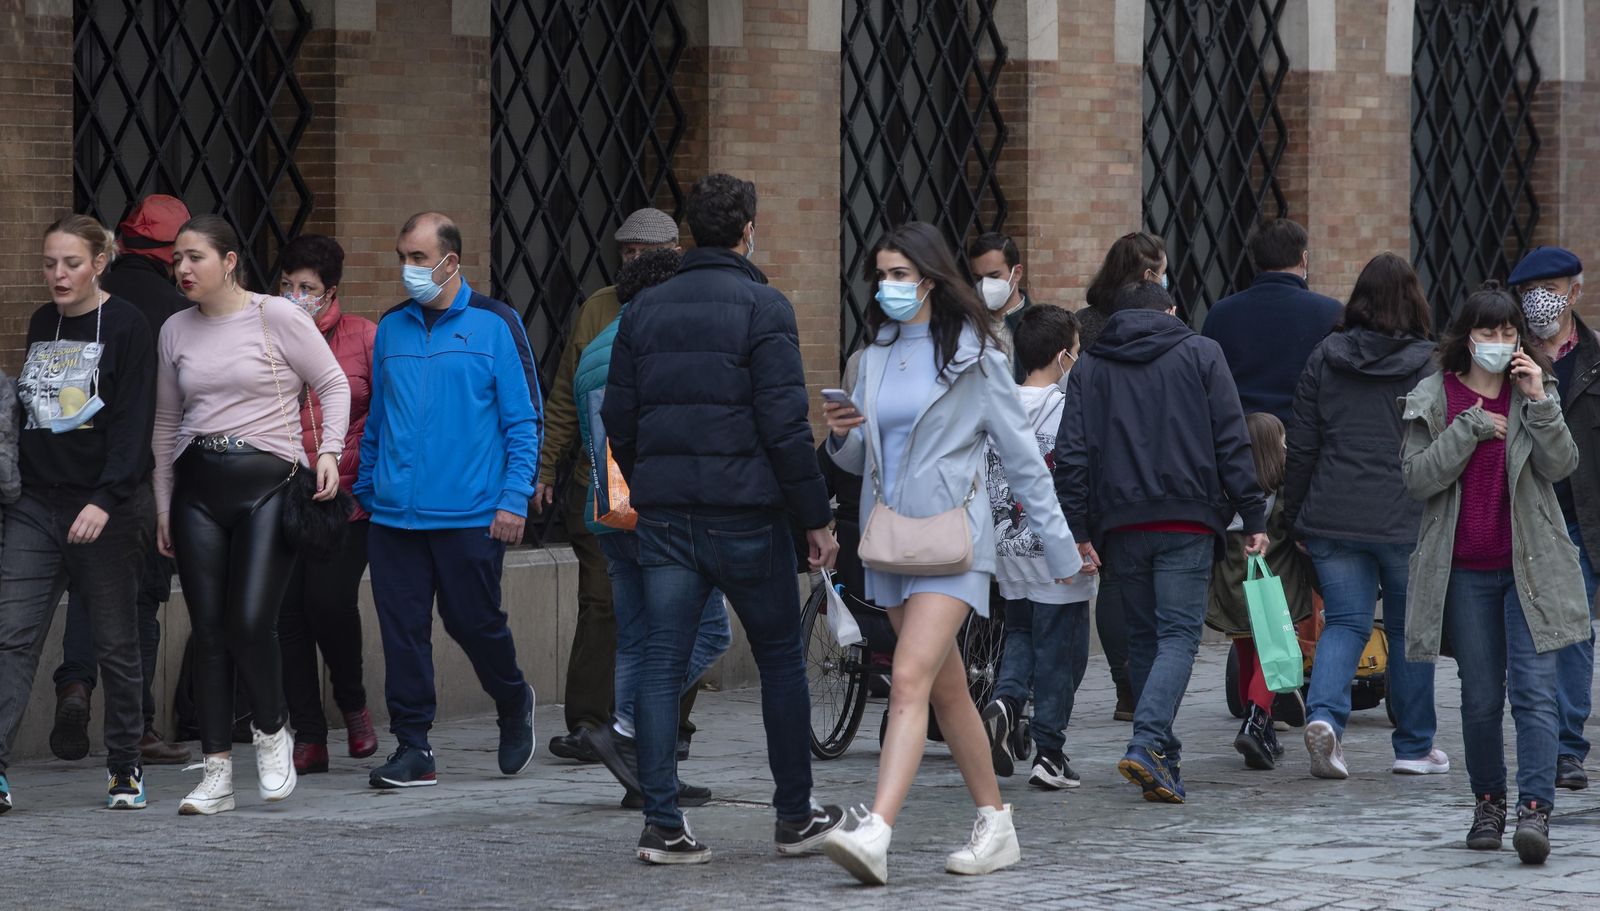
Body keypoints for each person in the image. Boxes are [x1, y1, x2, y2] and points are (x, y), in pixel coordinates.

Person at [819, 222, 1081, 884]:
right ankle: (996, 822)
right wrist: (842, 436)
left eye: (900, 276)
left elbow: (1023, 462)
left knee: (907, 678)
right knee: (947, 688)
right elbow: (866, 457)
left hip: (956, 542)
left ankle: (876, 828)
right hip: (891, 540)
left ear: (931, 281)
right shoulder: (873, 355)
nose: (888, 287)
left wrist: (1059, 547)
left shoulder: (978, 357)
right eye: (880, 275)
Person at [602, 173, 844, 864]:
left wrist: (653, 479)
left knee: (659, 661)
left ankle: (662, 823)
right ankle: (794, 814)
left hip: (669, 514)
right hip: (747, 513)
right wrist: (814, 518)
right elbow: (784, 426)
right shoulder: (764, 306)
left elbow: (619, 416)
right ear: (747, 232)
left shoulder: (644, 309)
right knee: (778, 662)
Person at [154, 215, 350, 815]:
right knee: (208, 630)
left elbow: (333, 383)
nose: (184, 269)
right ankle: (215, 773)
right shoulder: (174, 330)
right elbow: (165, 424)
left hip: (270, 482)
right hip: (198, 488)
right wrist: (162, 505)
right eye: (177, 260)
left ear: (230, 260)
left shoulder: (278, 315)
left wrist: (330, 453)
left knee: (248, 621)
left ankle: (272, 731)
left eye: (196, 258)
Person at [1055, 279, 1267, 805]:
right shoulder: (1202, 353)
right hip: (1189, 517)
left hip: (1121, 522)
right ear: (1172, 310)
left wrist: (1078, 528)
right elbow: (1231, 438)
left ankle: (1161, 754)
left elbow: (1072, 454)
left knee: (1148, 638)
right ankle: (1150, 740)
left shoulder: (1090, 367)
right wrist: (1253, 510)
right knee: (1179, 636)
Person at [1399, 282, 1588, 865]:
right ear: (1467, 336)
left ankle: (1536, 811)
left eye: (1509, 333)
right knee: (1480, 698)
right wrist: (1470, 428)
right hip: (1463, 571)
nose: (1499, 343)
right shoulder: (1435, 396)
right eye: (1488, 332)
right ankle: (1488, 802)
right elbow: (1417, 477)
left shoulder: (1534, 389)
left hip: (1529, 568)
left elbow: (1563, 465)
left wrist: (1539, 400)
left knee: (1533, 695)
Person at [355, 212, 540, 790]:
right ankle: (414, 746)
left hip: (470, 515)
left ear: (449, 262)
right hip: (393, 518)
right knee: (402, 630)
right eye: (402, 257)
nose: (407, 269)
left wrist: (514, 499)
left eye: (417, 258)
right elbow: (378, 420)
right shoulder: (392, 327)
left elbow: (522, 421)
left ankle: (513, 698)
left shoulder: (495, 324)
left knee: (473, 623)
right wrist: (367, 488)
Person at [0, 215, 154, 812]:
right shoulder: (44, 321)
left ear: (100, 262)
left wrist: (106, 498)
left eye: (71, 263)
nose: (58, 275)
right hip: (38, 504)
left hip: (106, 504)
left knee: (115, 643)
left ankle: (124, 768)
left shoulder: (127, 324)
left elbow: (134, 421)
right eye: (49, 263)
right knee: (11, 637)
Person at [569, 248, 731, 808]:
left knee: (637, 638)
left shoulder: (596, 345)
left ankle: (647, 776)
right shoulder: (650, 342)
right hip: (661, 513)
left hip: (610, 514)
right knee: (710, 633)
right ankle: (629, 729)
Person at [1283, 252, 1444, 779]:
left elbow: (1302, 445)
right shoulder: (1428, 363)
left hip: (1333, 510)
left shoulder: (1324, 356)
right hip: (1406, 514)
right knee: (1405, 630)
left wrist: (1296, 513)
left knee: (1346, 623)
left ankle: (1327, 718)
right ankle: (1414, 746)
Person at [537, 208, 685, 765]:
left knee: (679, 606)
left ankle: (672, 722)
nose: (633, 262)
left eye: (644, 253)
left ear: (672, 252)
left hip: (670, 487)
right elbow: (565, 395)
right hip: (602, 482)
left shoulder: (687, 304)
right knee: (603, 601)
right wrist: (546, 467)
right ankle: (590, 724)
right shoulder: (598, 308)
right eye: (625, 252)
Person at [49, 194, 192, 767]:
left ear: (120, 246)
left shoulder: (79, 303)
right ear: (172, 253)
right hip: (142, 474)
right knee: (140, 600)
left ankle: (75, 683)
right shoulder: (175, 309)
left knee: (89, 589)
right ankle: (139, 730)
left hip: (74, 473)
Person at [978, 305, 1096, 790]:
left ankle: (1005, 703)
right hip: (1057, 546)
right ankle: (1049, 751)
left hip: (1007, 545)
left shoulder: (997, 404)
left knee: (1022, 634)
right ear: (1064, 355)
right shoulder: (1068, 408)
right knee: (1062, 653)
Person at [275, 234, 380, 775]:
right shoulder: (267, 334)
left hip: (348, 496)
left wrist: (357, 468)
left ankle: (354, 703)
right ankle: (309, 737)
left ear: (330, 291)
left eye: (307, 288)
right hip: (282, 492)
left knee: (331, 602)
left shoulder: (364, 337)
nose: (296, 296)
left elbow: (383, 411)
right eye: (288, 285)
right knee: (288, 614)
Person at [1508, 246, 1599, 792]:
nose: (1541, 300)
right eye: (1530, 290)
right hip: (1522, 514)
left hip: (1580, 518)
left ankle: (1567, 746)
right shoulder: (1505, 356)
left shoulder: (1593, 360)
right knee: (1524, 636)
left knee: (1573, 635)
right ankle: (1537, 737)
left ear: (1575, 292)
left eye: (1553, 287)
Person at [1076, 231, 1168, 720]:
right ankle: (1144, 682)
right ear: (1150, 274)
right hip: (1151, 469)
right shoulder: (1164, 324)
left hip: (1097, 465)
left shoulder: (1084, 324)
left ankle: (1126, 685)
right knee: (1146, 580)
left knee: (1114, 579)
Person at [1205, 413, 1314, 770]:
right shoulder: (1282, 490)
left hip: (1232, 589)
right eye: (1282, 442)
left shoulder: (1228, 490)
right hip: (1270, 590)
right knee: (1273, 657)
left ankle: (1263, 733)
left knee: (1247, 654)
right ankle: (1255, 722)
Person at [1201, 218, 1343, 423]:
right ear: (1304, 259)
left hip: (1238, 435)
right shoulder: (1330, 313)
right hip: (1305, 435)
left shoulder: (1221, 313)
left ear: (1256, 261)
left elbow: (1206, 381)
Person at [968, 231, 1033, 380]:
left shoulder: (1040, 325)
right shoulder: (966, 325)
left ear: (1016, 273)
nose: (984, 285)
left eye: (994, 276)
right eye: (978, 278)